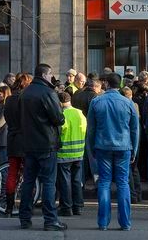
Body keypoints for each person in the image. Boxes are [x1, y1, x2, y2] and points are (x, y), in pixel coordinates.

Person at [86, 72, 140, 231]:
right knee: (123, 183)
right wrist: (134, 149)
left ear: (106, 84)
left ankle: (103, 222)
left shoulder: (96, 102)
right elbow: (135, 129)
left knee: (104, 182)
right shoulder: (128, 102)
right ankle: (125, 223)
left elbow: (91, 130)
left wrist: (92, 148)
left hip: (102, 146)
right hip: (124, 146)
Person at [17, 63, 66, 231]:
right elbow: (58, 119)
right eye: (50, 74)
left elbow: (18, 118)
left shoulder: (25, 93)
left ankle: (24, 218)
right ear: (45, 75)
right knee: (48, 183)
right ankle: (50, 220)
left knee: (28, 182)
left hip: (29, 144)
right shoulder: (48, 92)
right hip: (46, 144)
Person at [3, 72, 30, 216]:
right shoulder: (25, 99)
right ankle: (26, 205)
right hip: (25, 139)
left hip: (12, 138)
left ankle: (9, 207)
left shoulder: (9, 100)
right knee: (28, 173)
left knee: (12, 173)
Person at [56, 89, 87, 217]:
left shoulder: (62, 115)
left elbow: (59, 132)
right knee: (76, 180)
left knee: (65, 181)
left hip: (64, 153)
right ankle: (78, 207)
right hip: (79, 152)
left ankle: (66, 207)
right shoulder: (79, 113)